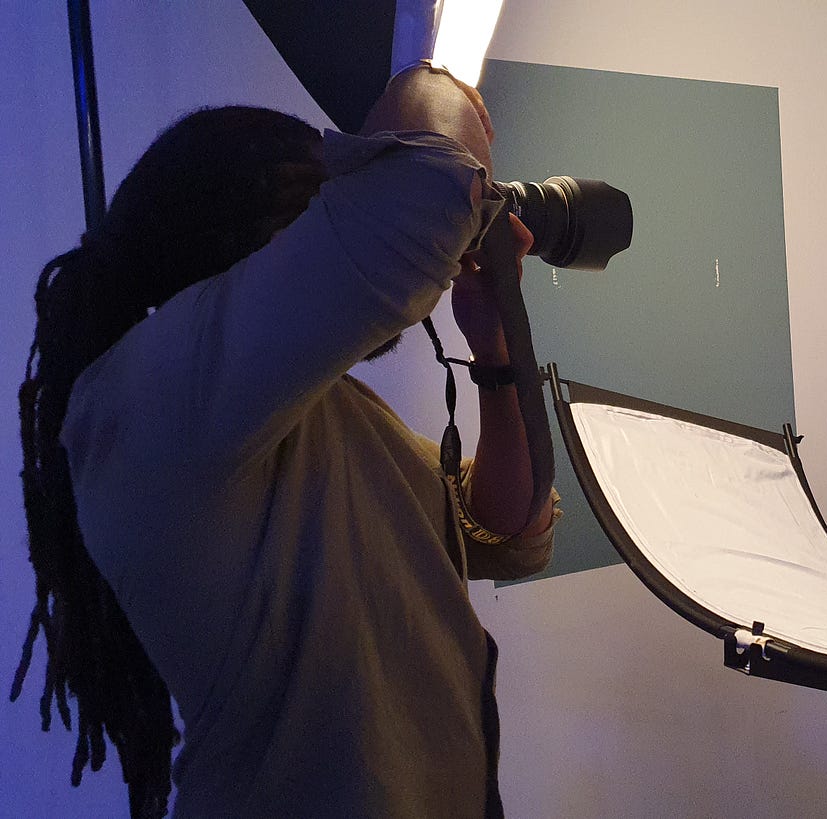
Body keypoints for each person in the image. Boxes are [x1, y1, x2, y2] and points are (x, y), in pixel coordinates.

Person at [14, 63, 557, 818]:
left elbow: (510, 527)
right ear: (254, 247)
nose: (343, 220)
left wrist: (495, 358)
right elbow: (430, 189)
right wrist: (425, 87)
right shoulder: (148, 408)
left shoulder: (325, 412)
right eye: (331, 199)